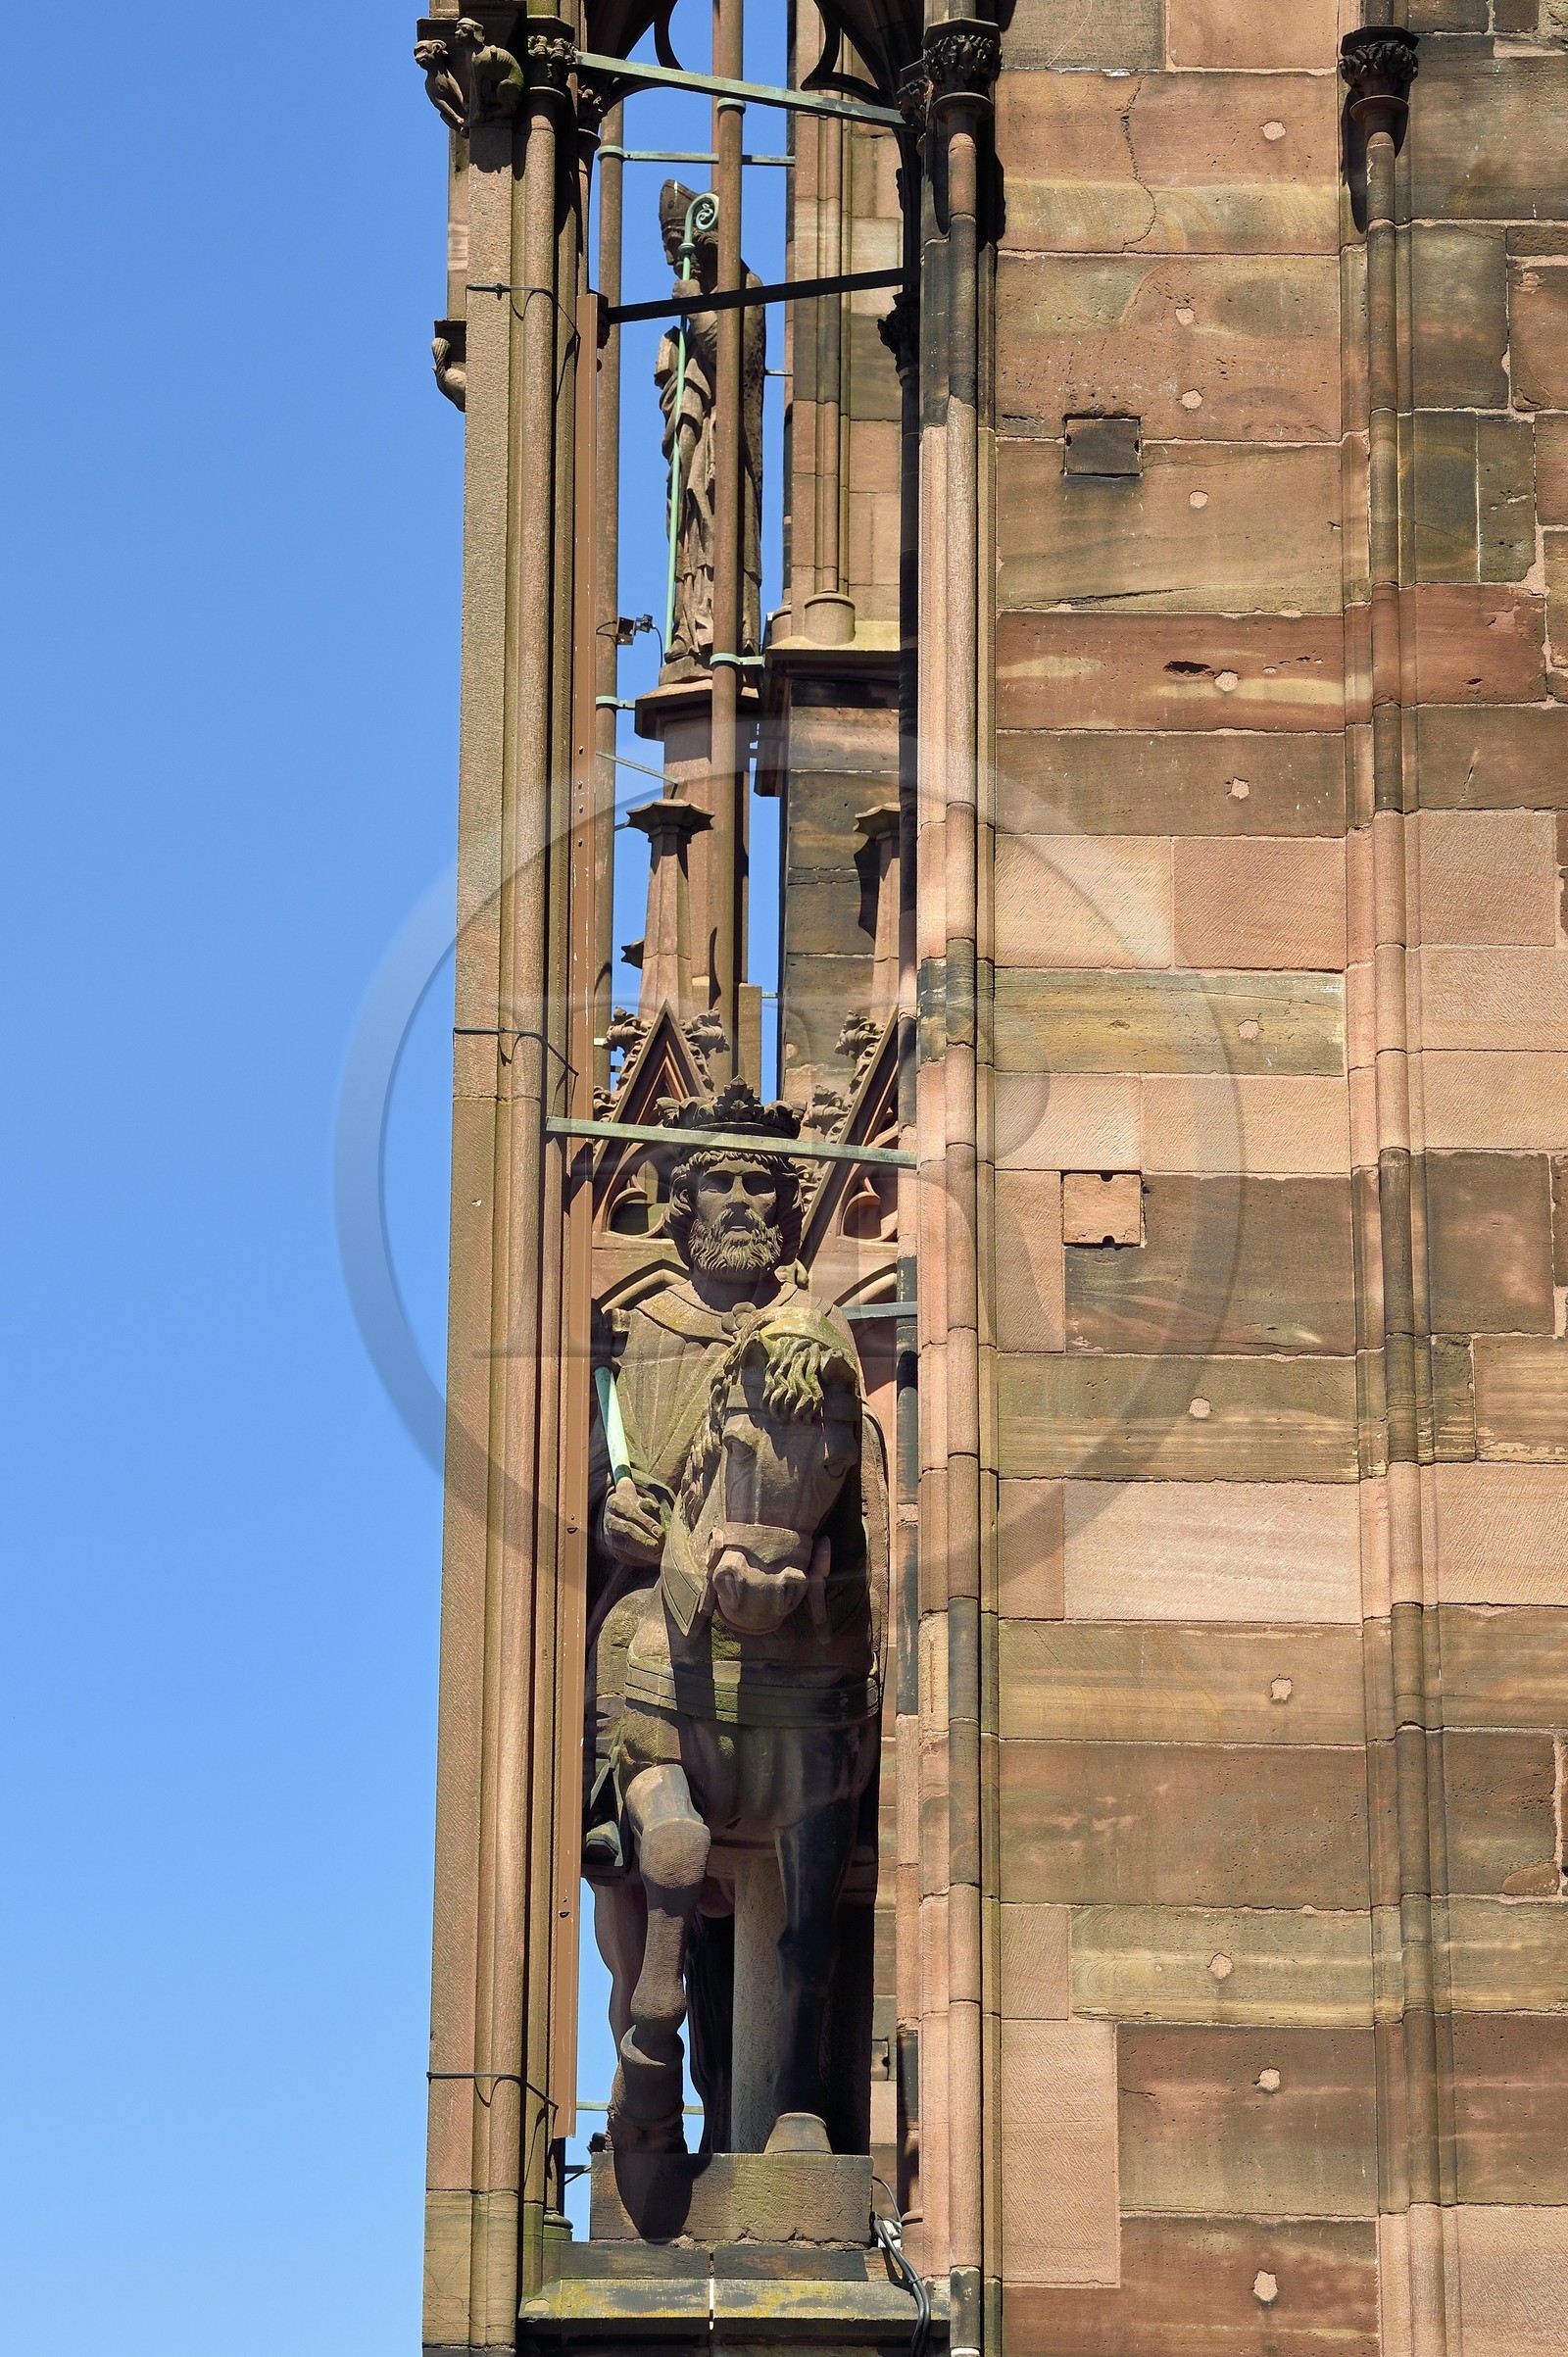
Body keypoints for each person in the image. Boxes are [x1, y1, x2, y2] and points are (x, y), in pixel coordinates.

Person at [654, 182, 765, 676]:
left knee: (717, 517)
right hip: (696, 442)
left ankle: (720, 627)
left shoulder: (748, 287)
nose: (674, 261)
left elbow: (737, 364)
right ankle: (687, 626)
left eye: (676, 245)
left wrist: (697, 311)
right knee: (688, 523)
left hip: (727, 447)